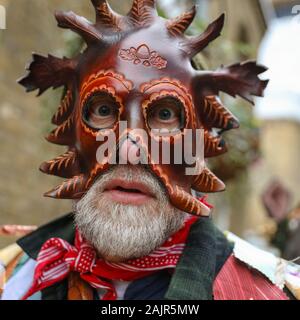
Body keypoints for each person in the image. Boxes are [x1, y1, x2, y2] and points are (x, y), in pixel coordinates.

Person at [0, 0, 297, 300]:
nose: (129, 150)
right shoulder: (10, 278)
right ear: (72, 133)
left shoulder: (269, 292)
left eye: (165, 115)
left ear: (202, 145)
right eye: (102, 109)